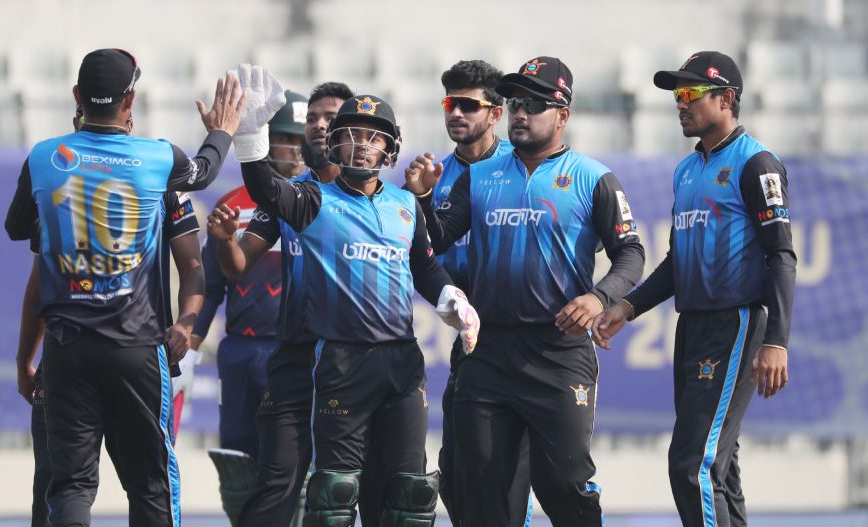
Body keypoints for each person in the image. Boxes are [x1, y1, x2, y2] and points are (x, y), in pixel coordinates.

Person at [4, 48, 246, 527]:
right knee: (152, 484)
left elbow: (16, 228)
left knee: (70, 485)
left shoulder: (44, 156)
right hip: (136, 347)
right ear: (130, 99)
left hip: (66, 348)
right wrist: (222, 131)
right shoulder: (156, 158)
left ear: (76, 96)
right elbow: (205, 171)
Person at [404, 56, 646, 526]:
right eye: (515, 102)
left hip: (558, 351)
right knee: (480, 487)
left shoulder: (593, 178)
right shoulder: (481, 176)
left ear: (563, 115)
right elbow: (435, 239)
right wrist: (422, 198)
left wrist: (599, 298)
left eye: (534, 104)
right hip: (488, 351)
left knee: (566, 485)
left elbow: (630, 254)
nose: (520, 113)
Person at [239, 81, 480, 527]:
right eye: (350, 134)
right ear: (334, 142)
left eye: (373, 137)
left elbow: (426, 269)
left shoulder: (406, 205)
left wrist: (452, 299)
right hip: (340, 362)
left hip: (402, 363)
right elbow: (264, 189)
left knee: (412, 494)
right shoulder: (312, 200)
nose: (361, 145)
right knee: (335, 495)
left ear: (390, 147)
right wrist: (250, 136)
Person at [592, 51, 796, 527]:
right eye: (676, 96)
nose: (679, 104)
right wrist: (628, 305)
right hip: (694, 326)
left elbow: (781, 255)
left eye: (689, 94)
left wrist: (777, 339)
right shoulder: (687, 170)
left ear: (727, 99)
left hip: (736, 322)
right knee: (719, 467)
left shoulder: (756, 164)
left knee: (690, 466)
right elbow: (677, 261)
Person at [16, 107, 204, 527]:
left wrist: (186, 326)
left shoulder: (163, 185)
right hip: (121, 353)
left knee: (76, 485)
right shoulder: (61, 185)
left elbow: (192, 266)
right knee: (68, 484)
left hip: (106, 351)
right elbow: (39, 281)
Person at [191, 89, 310, 526]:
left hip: (297, 352)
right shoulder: (233, 205)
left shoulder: (320, 201)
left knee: (300, 464)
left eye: (302, 140)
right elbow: (211, 284)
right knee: (240, 463)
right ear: (264, 140)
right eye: (285, 139)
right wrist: (191, 340)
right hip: (242, 352)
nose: (295, 151)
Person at [431, 59, 531, 527]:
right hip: (470, 340)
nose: (456, 113)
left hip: (524, 337)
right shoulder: (435, 178)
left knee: (514, 475)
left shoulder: (525, 167)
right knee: (454, 475)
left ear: (496, 114)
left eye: (469, 105)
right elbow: (419, 255)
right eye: (451, 103)